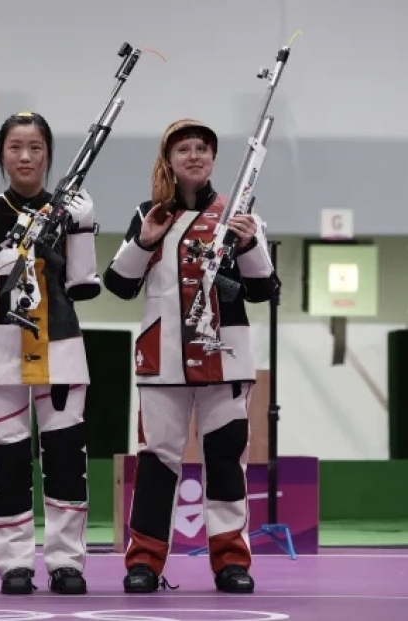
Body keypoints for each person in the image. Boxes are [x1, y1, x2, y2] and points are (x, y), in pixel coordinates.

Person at [103, 118, 279, 594]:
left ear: (215, 159)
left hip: (226, 361)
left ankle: (230, 562)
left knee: (226, 463)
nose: (195, 156)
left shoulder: (241, 215)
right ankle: (144, 563)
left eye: (203, 148)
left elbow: (264, 289)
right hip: (162, 361)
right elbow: (117, 285)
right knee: (157, 463)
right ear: (169, 160)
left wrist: (249, 244)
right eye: (185, 149)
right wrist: (144, 241)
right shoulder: (148, 212)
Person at [0, 111, 101, 595]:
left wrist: (84, 225)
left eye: (36, 147)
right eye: (15, 147)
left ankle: (67, 562)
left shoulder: (68, 209)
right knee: (7, 462)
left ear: (49, 155)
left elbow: (83, 285)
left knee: (66, 459)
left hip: (63, 350)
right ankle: (14, 564)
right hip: (0, 352)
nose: (25, 156)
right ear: (3, 153)